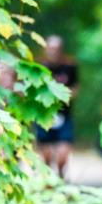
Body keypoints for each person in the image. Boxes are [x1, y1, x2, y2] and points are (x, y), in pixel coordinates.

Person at [35, 35, 78, 180]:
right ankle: (48, 182)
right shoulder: (38, 66)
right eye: (51, 49)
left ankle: (60, 176)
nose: (53, 52)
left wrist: (62, 96)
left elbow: (76, 87)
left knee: (62, 154)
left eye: (56, 49)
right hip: (44, 114)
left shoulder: (70, 66)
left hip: (64, 115)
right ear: (45, 49)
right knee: (46, 155)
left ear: (61, 50)